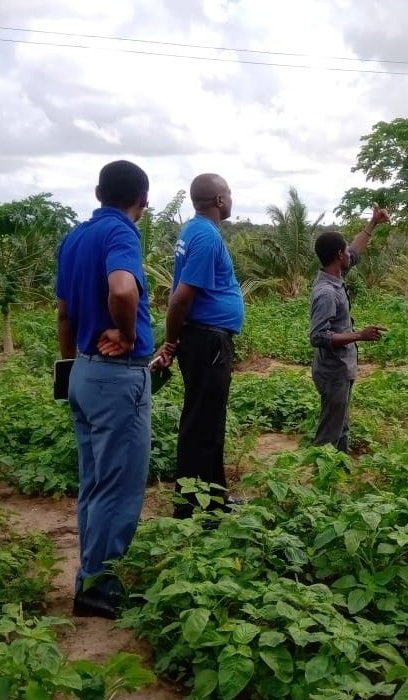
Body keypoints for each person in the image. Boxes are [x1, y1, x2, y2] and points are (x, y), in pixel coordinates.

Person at [56, 160, 153, 619]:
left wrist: (70, 368)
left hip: (83, 372)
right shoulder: (121, 233)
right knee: (118, 486)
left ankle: (88, 576)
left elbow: (63, 312)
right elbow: (122, 290)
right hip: (117, 378)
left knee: (94, 483)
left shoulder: (75, 237)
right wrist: (129, 335)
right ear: (145, 198)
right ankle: (99, 589)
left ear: (98, 192)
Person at [153, 174, 244, 518]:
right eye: (229, 193)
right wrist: (171, 341)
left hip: (205, 339)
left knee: (206, 421)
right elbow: (180, 299)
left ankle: (212, 498)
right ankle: (194, 509)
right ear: (220, 200)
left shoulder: (193, 230)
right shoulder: (206, 237)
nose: (232, 199)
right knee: (203, 425)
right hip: (207, 341)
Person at [309, 207, 390, 452]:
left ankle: (338, 473)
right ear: (337, 256)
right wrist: (359, 335)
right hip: (333, 372)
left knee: (341, 425)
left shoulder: (336, 273)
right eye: (345, 251)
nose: (349, 254)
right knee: (330, 431)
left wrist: (373, 223)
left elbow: (356, 250)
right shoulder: (326, 292)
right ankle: (321, 479)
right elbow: (318, 337)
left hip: (342, 369)